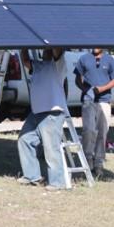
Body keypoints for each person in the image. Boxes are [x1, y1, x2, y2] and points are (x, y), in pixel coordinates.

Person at [16, 47, 68, 190]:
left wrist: (48, 40)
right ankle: (32, 176)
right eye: (44, 50)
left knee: (51, 149)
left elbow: (58, 52)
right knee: (24, 140)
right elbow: (25, 61)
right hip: (37, 112)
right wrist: (24, 46)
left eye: (47, 50)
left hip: (52, 113)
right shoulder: (38, 66)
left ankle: (57, 183)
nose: (44, 52)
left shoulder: (58, 65)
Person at [74, 47, 114, 178]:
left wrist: (102, 89)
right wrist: (86, 90)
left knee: (102, 132)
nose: (95, 47)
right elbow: (78, 78)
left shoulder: (110, 60)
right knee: (88, 130)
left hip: (104, 101)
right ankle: (88, 160)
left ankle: (99, 163)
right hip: (88, 101)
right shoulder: (84, 59)